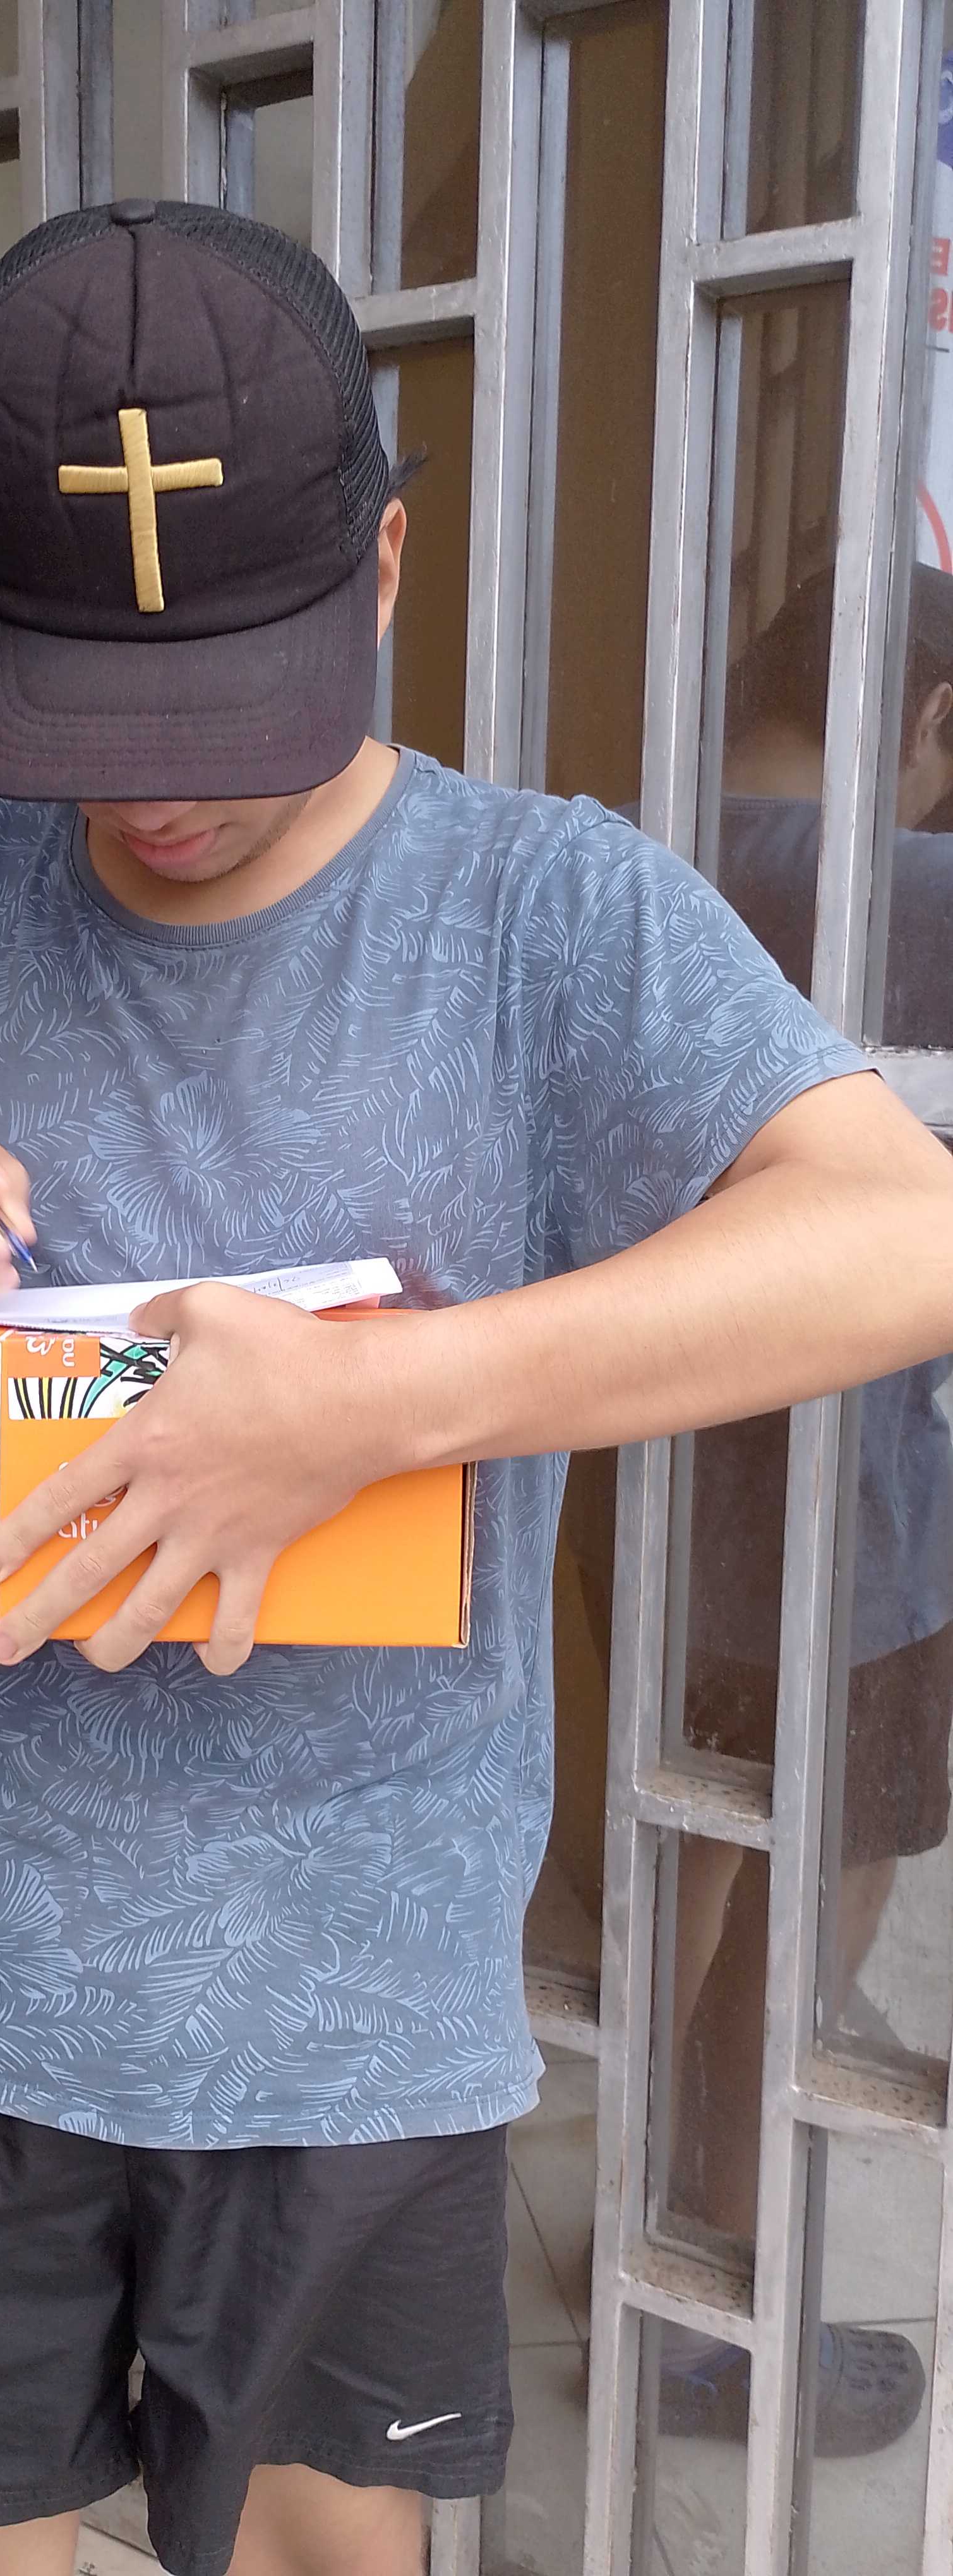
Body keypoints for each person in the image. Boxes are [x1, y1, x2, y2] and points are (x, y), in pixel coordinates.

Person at [0, 203, 953, 2576]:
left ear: (383, 570)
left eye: (221, 718)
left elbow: (900, 1235)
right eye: (84, 719)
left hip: (345, 2002)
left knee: (328, 2553)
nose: (156, 802)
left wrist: (377, 1404)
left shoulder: (546, 914)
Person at [647, 566, 953, 2443]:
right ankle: (724, 2314)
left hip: (656, 1503)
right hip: (860, 1526)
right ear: (933, 719)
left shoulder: (639, 865)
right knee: (816, 1897)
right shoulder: (913, 895)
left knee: (683, 1851)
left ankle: (658, 2240)